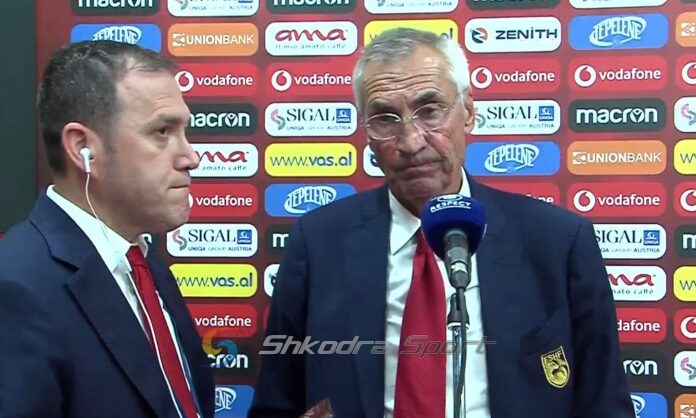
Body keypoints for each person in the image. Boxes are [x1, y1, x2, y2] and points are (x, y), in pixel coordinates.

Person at [249, 28, 635, 418]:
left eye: (430, 110)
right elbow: (276, 405)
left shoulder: (556, 242)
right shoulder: (318, 243)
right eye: (385, 119)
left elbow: (605, 406)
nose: (411, 141)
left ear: (468, 111)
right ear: (366, 133)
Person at [0, 40, 214, 418]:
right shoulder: (16, 288)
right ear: (83, 148)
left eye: (185, 132)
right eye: (162, 132)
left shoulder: (142, 262)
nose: (191, 157)